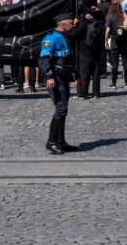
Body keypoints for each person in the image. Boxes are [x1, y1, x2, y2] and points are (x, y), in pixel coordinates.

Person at [38, 13, 84, 155]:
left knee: (64, 109)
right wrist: (50, 77)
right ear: (63, 25)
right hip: (56, 79)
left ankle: (60, 141)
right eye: (71, 22)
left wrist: (77, 75)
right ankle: (51, 142)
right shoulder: (51, 39)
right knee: (61, 108)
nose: (73, 24)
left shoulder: (65, 38)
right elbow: (43, 60)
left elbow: (67, 60)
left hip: (64, 78)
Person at [105, 1, 127, 89]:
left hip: (114, 42)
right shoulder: (125, 16)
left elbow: (108, 30)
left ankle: (114, 83)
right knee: (125, 62)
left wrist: (105, 41)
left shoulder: (110, 17)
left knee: (115, 64)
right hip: (124, 42)